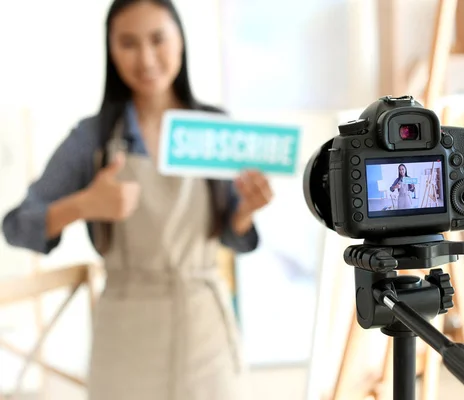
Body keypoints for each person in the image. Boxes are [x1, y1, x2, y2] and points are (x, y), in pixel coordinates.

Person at [2, 0, 272, 398]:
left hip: (206, 334)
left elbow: (233, 237)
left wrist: (245, 211)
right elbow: (17, 225)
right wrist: (84, 204)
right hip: (126, 340)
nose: (145, 58)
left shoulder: (216, 128)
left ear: (180, 41)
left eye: (158, 39)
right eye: (128, 43)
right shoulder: (92, 138)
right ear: (110, 50)